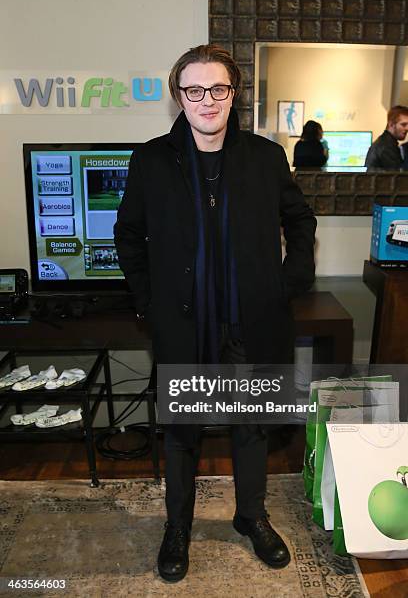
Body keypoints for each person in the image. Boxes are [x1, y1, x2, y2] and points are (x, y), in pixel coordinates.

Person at [114, 44, 316, 583]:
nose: (207, 101)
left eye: (218, 89)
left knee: (251, 425)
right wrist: (146, 302)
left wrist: (289, 281)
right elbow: (128, 235)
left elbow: (300, 221)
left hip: (249, 321)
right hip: (183, 323)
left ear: (234, 95)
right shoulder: (151, 159)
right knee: (182, 431)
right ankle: (176, 526)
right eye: (194, 90)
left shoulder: (265, 157)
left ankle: (251, 516)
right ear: (180, 97)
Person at [365, 105, 408, 170]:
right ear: (391, 124)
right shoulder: (386, 147)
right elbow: (397, 176)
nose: (407, 128)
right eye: (403, 124)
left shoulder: (385, 143)